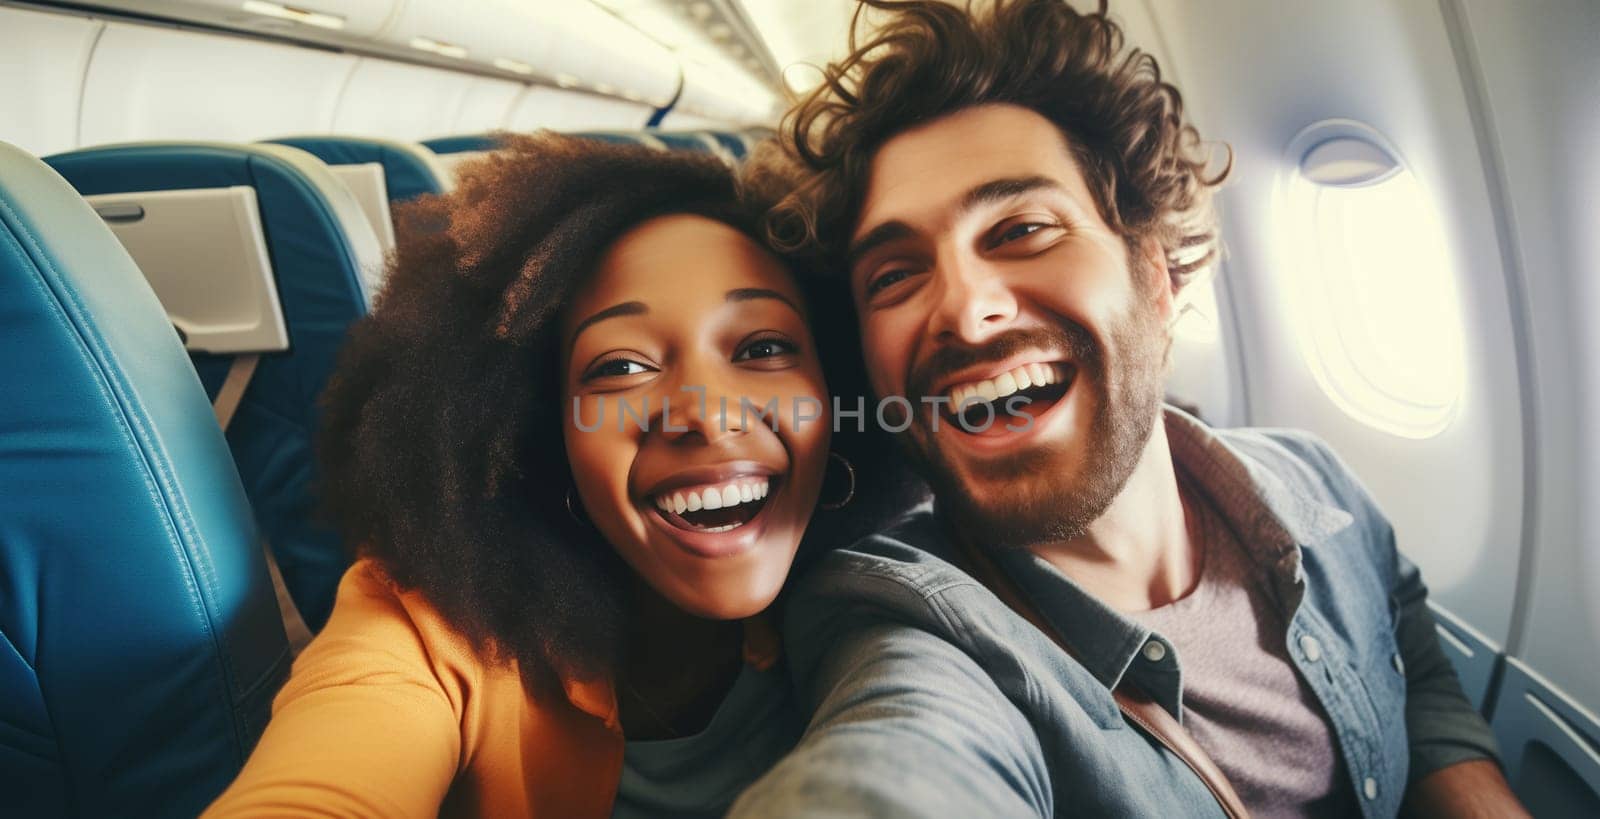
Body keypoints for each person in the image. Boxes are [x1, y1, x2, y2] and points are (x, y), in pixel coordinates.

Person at [733, 1, 1527, 817]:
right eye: (895, 276)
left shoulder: (1312, 476)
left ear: (1154, 277)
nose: (967, 314)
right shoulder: (903, 626)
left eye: (1023, 229)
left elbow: (1406, 641)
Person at [202, 133, 885, 818]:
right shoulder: (431, 628)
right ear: (540, 427)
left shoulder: (885, 590)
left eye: (763, 346)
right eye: (620, 367)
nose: (706, 417)